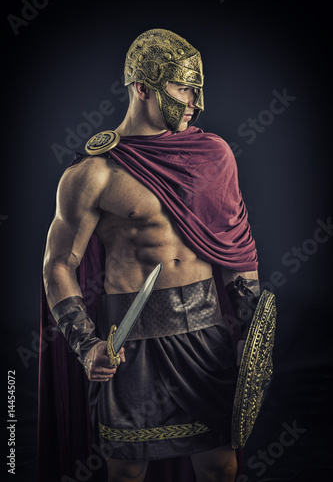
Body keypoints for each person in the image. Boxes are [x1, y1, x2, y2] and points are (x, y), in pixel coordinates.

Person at [42, 29, 259, 482]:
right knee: (125, 472)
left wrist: (250, 335)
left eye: (197, 88)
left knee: (221, 467)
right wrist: (86, 346)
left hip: (205, 335)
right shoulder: (93, 173)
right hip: (130, 343)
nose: (196, 100)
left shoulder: (214, 155)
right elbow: (59, 264)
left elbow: (237, 249)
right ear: (143, 88)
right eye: (184, 88)